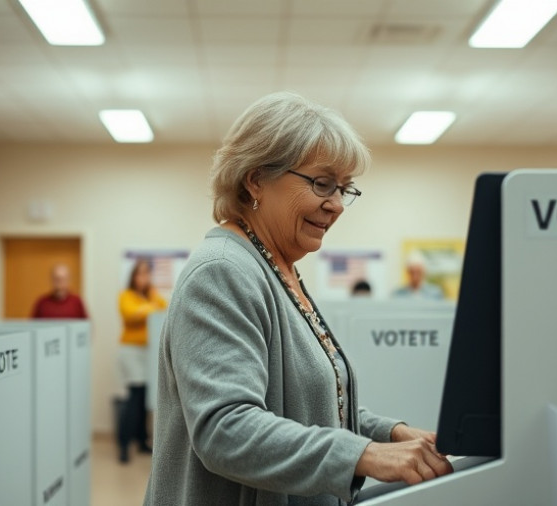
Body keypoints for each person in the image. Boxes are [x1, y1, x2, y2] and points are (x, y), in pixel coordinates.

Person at [143, 92, 452, 506]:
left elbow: (309, 403)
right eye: (323, 184)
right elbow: (225, 429)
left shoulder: (277, 267)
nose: (338, 205)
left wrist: (390, 434)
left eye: (345, 189)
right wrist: (365, 455)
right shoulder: (222, 271)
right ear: (256, 178)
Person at [118, 258, 168, 463]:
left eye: (147, 273)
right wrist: (149, 307)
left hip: (149, 353)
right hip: (131, 352)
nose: (143, 277)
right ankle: (123, 444)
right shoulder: (125, 296)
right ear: (133, 276)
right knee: (135, 397)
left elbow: (166, 308)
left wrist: (148, 306)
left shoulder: (152, 294)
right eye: (140, 273)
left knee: (145, 399)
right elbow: (131, 315)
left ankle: (141, 441)